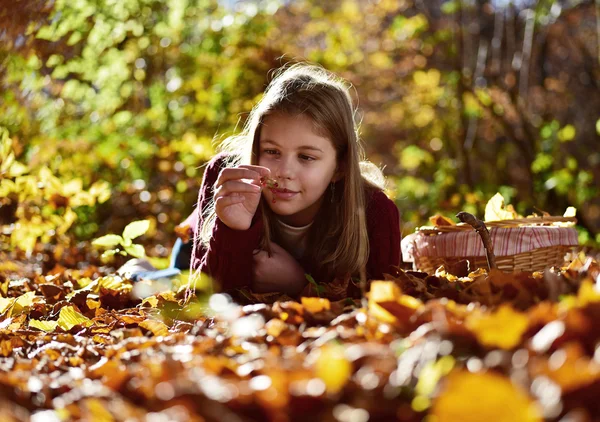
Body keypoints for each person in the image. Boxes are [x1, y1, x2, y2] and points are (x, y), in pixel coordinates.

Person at [183, 63, 401, 301]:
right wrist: (232, 230)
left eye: (306, 157)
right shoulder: (229, 178)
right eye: (272, 152)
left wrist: (299, 284)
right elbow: (199, 304)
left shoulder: (376, 213)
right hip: (193, 241)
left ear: (340, 166)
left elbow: (384, 311)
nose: (284, 172)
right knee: (169, 272)